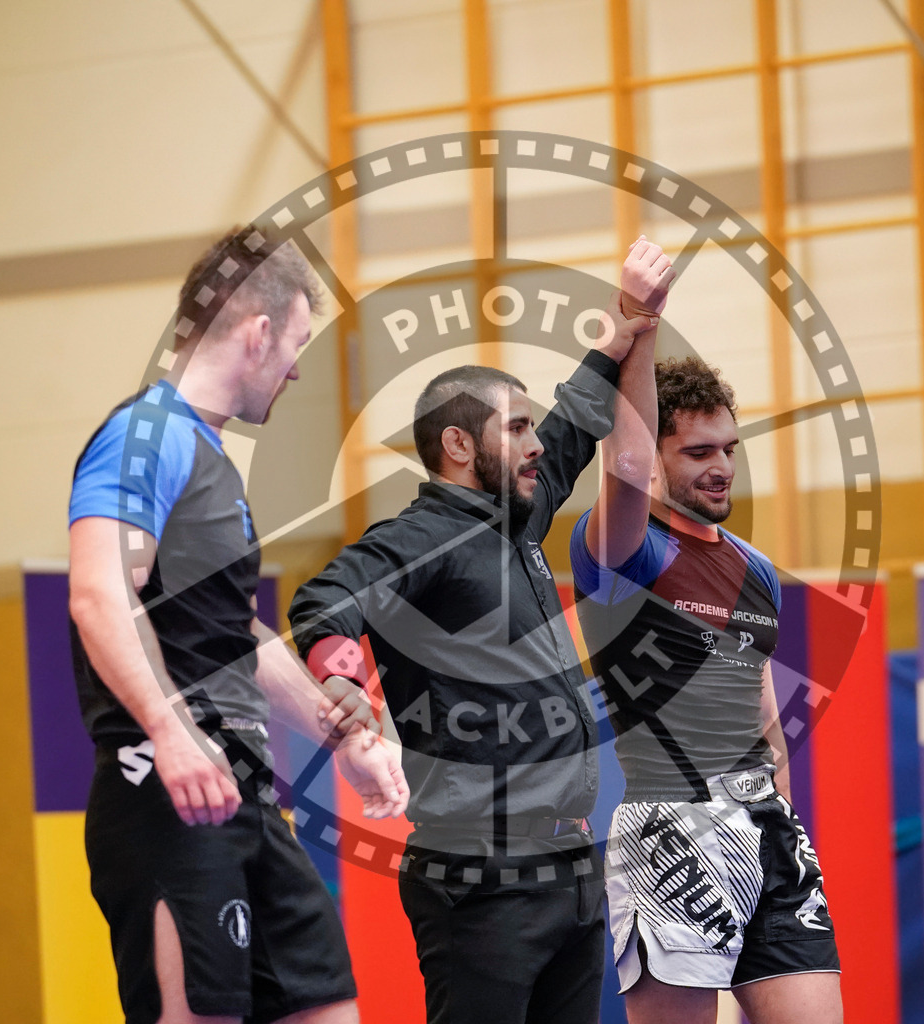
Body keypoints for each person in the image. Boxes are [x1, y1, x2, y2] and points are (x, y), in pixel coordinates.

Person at [286, 252, 665, 1024]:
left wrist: (630, 323)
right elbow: (325, 599)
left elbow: (576, 422)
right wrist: (338, 684)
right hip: (481, 872)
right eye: (515, 429)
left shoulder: (518, 514)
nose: (536, 447)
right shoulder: (420, 538)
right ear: (460, 446)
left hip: (566, 864)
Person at [68, 224, 409, 1024]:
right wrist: (173, 727)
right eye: (295, 345)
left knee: (329, 1007)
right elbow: (97, 594)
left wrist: (345, 735)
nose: (296, 370)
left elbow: (234, 637)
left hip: (244, 791)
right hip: (163, 790)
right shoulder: (143, 437)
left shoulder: (208, 455)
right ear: (258, 332)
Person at [569, 238, 843, 1024]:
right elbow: (618, 462)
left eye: (729, 448)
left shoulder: (756, 569)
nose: (721, 466)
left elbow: (765, 719)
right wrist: (642, 324)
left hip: (768, 828)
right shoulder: (624, 550)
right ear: (655, 462)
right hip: (670, 827)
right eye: (697, 453)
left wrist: (784, 819)